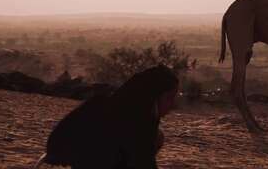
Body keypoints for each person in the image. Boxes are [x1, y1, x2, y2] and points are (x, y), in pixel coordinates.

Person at [40, 65, 179, 169]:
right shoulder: (136, 122)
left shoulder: (110, 103)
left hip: (73, 158)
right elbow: (144, 162)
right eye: (169, 98)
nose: (173, 104)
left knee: (157, 136)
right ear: (154, 97)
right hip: (69, 160)